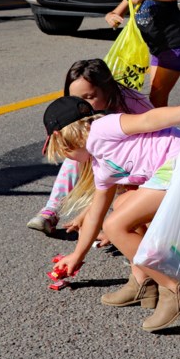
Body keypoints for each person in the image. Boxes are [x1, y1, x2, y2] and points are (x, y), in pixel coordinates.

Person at [43, 94, 180, 332]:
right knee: (121, 206)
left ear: (60, 138)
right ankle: (143, 282)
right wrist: (77, 255)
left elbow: (149, 119)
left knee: (115, 226)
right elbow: (95, 215)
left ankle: (174, 290)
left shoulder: (101, 127)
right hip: (176, 173)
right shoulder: (102, 166)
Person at [27, 58, 153, 234]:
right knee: (76, 155)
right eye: (74, 99)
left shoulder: (130, 110)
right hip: (124, 172)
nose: (80, 106)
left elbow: (114, 180)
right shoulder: (84, 116)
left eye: (89, 97)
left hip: (150, 173)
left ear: (107, 92)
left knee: (122, 209)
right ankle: (51, 210)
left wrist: (90, 215)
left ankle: (137, 237)